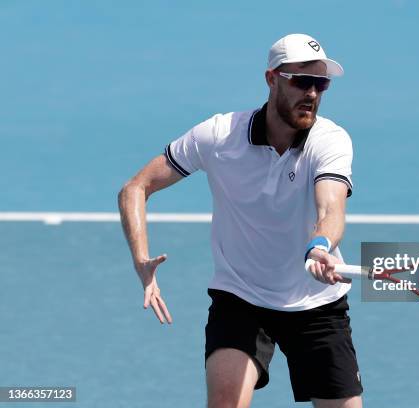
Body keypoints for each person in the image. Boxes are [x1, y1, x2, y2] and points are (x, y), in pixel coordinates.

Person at [118, 33, 362, 408]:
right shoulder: (218, 135)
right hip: (242, 298)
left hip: (317, 305)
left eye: (320, 83)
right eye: (301, 81)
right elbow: (136, 188)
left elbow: (330, 209)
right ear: (271, 79)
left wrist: (319, 246)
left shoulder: (330, 140)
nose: (312, 93)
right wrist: (140, 260)